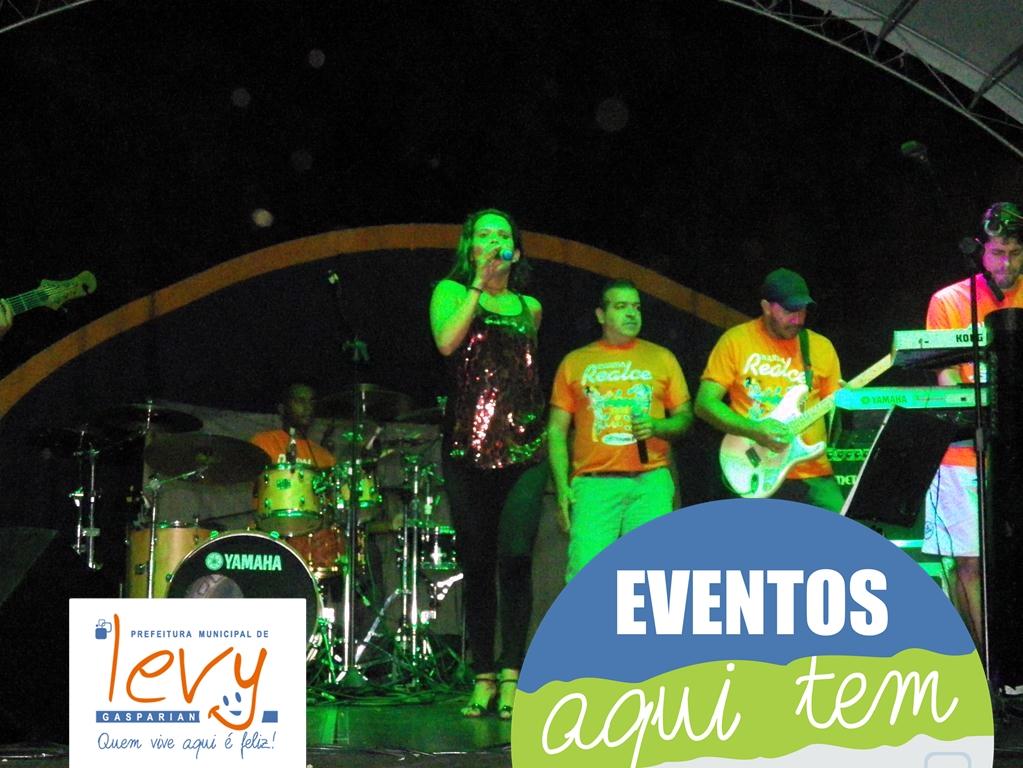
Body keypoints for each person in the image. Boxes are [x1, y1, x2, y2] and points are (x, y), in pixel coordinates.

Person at [429, 208, 549, 719]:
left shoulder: (530, 307)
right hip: (467, 448)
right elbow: (447, 342)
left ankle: (512, 672)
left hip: (525, 447)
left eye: (503, 235)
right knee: (477, 564)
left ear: (515, 251)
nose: (494, 240)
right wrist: (477, 284)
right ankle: (482, 674)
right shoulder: (451, 292)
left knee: (516, 557)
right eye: (484, 233)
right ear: (470, 245)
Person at [923, 202, 1023, 654]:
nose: (1006, 264)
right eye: (998, 253)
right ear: (982, 250)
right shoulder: (948, 301)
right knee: (968, 562)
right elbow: (946, 379)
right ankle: (986, 662)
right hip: (965, 452)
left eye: (1015, 254)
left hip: (1015, 452)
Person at [548, 278, 692, 582]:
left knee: (652, 579)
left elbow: (685, 418)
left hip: (650, 482)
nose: (631, 314)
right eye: (621, 306)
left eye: (636, 307)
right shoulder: (575, 362)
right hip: (594, 484)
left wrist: (657, 426)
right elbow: (557, 431)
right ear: (601, 315)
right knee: (586, 578)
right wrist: (562, 488)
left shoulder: (662, 357)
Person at [694, 268, 844, 511]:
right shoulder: (736, 340)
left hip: (812, 472)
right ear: (766, 306)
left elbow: (836, 407)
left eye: (802, 310)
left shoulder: (821, 347)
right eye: (789, 311)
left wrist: (851, 401)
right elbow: (704, 403)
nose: (798, 319)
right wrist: (755, 430)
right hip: (757, 468)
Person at [250, 382, 335, 470]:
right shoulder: (263, 442)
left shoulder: (324, 457)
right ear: (282, 409)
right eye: (300, 401)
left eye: (312, 403)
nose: (308, 408)